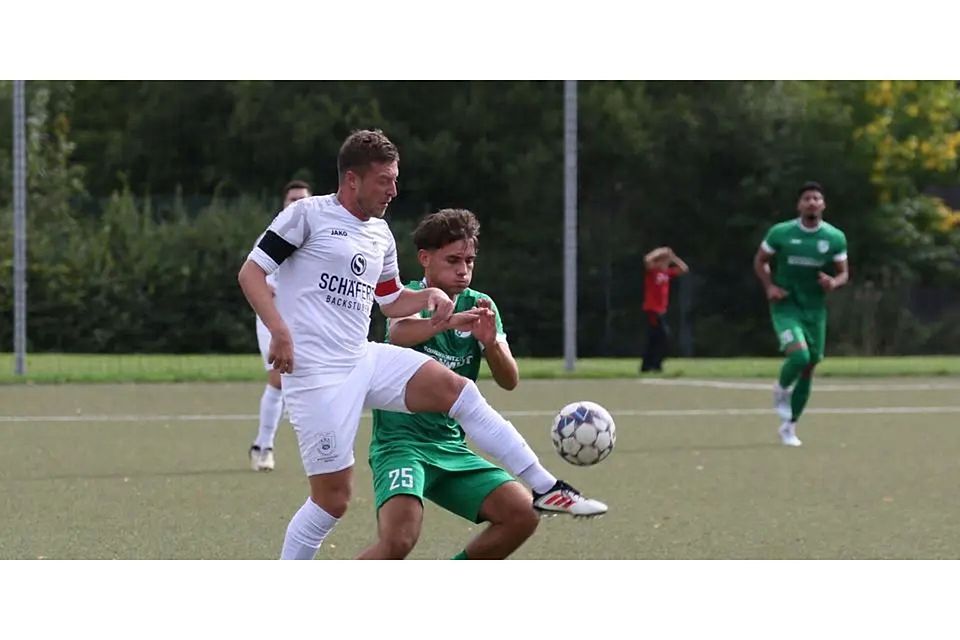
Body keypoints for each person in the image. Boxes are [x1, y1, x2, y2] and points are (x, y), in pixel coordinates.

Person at [238, 129, 607, 561]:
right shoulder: (307, 215)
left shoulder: (380, 234)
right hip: (317, 374)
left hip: (362, 357)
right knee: (332, 500)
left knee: (458, 391)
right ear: (352, 180)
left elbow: (391, 301)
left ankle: (546, 488)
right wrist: (280, 331)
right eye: (384, 180)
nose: (394, 190)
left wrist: (430, 299)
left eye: (396, 179)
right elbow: (251, 273)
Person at [358, 208, 542, 561]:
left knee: (522, 514)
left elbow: (509, 380)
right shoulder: (409, 297)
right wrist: (446, 322)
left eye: (469, 261)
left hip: (450, 447)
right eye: (453, 260)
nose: (463, 270)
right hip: (401, 445)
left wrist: (490, 344)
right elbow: (399, 334)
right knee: (398, 541)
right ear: (425, 259)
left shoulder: (482, 306)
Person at [753, 181, 849, 447]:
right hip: (786, 305)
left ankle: (789, 427)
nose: (812, 202)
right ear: (799, 205)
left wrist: (833, 282)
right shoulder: (781, 232)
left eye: (817, 198)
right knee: (799, 355)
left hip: (814, 309)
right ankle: (781, 389)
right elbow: (760, 260)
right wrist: (770, 286)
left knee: (809, 366)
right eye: (807, 198)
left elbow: (843, 273)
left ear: (823, 205)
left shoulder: (834, 237)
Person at [249, 180, 313, 471]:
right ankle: (263, 446)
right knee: (278, 377)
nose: (297, 203)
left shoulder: (317, 238)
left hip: (303, 321)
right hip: (273, 320)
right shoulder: (274, 236)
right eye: (292, 199)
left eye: (302, 199)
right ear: (284, 203)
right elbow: (260, 280)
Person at [640, 246, 689, 373]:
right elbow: (647, 259)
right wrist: (660, 251)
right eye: (664, 261)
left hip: (660, 310)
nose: (666, 263)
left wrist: (673, 257)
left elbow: (684, 269)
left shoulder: (667, 273)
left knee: (654, 338)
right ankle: (655, 364)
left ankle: (647, 366)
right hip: (652, 309)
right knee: (663, 336)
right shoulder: (653, 271)